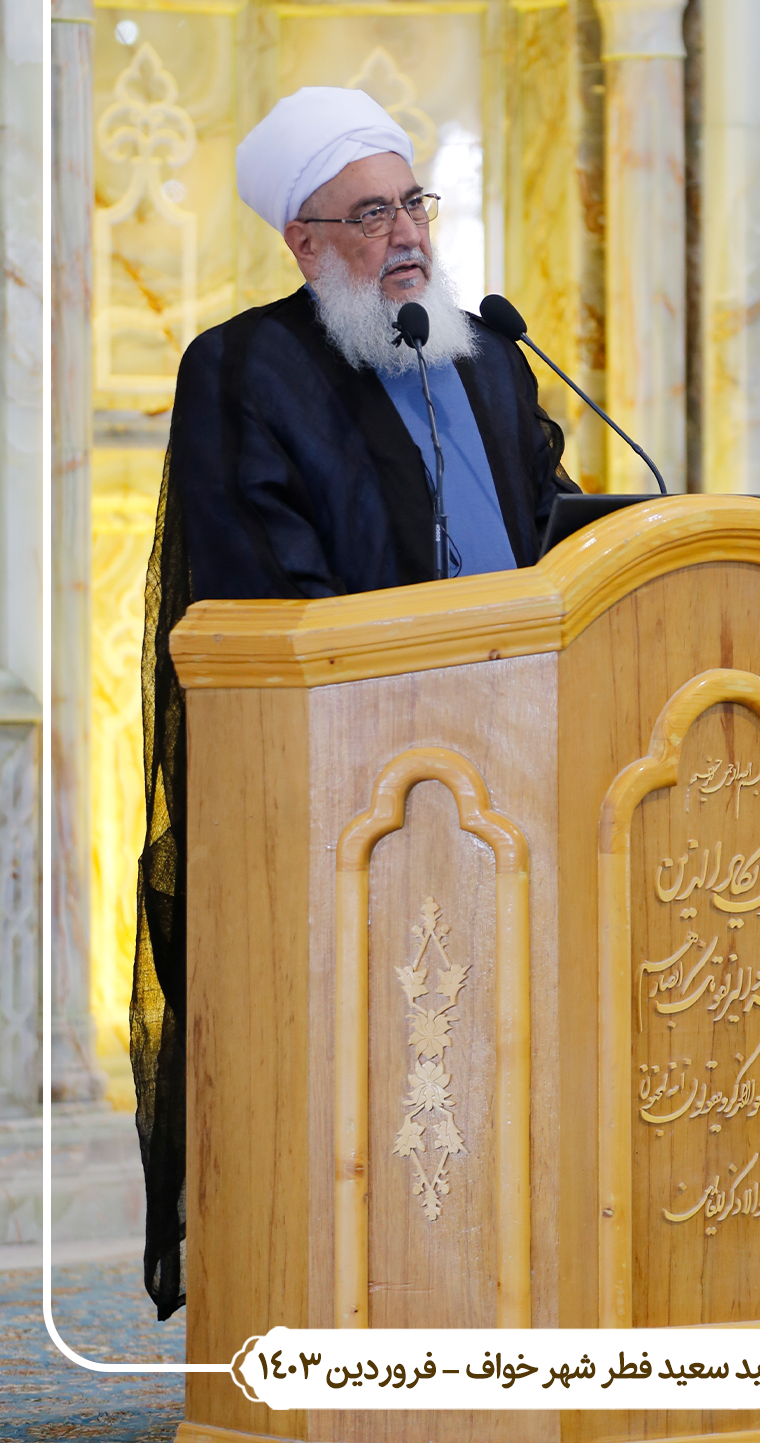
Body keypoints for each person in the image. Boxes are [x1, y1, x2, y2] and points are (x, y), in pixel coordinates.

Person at [131, 86, 577, 1317]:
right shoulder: (246, 368)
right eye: (370, 213)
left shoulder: (489, 356)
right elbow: (261, 595)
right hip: (353, 808)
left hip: (533, 788)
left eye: (412, 202)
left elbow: (565, 540)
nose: (406, 233)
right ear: (304, 241)